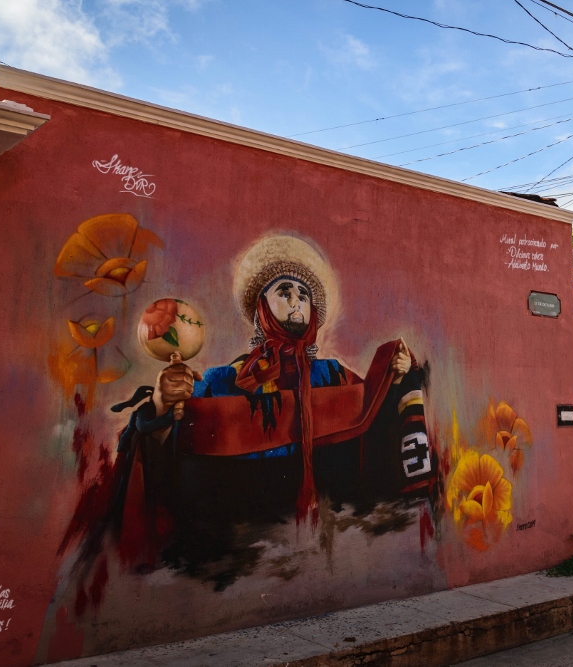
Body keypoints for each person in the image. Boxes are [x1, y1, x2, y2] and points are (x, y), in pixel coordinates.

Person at [62, 235, 436, 583]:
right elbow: (167, 446)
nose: (296, 301)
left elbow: (374, 426)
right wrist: (164, 401)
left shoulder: (332, 375)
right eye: (285, 291)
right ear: (261, 309)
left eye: (304, 295)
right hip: (234, 554)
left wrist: (397, 379)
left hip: (329, 545)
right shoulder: (222, 380)